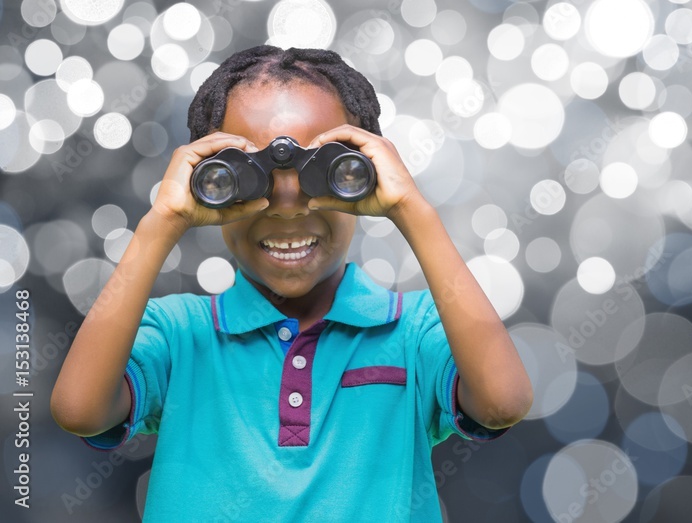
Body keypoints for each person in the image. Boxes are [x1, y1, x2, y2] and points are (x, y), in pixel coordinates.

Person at [50, 45, 533, 522]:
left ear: (368, 172)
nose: (287, 205)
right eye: (248, 176)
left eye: (327, 171)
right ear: (205, 179)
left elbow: (501, 402)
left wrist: (413, 210)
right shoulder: (179, 333)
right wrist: (162, 221)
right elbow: (81, 410)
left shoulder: (415, 330)